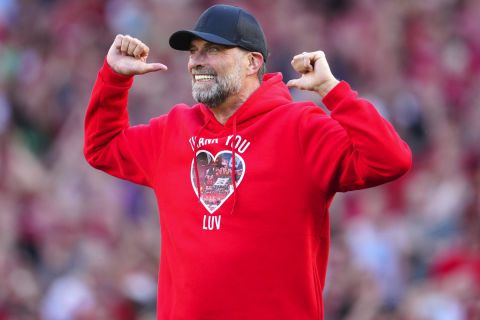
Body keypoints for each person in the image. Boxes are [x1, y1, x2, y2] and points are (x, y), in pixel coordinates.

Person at [84, 4, 412, 319]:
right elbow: (102, 146)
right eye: (193, 51)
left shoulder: (299, 127)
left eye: (212, 50)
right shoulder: (174, 129)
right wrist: (114, 78)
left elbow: (389, 159)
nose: (197, 61)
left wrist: (332, 90)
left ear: (253, 62)